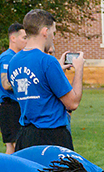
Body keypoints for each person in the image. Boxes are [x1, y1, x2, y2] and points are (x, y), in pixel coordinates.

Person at [9, 8, 83, 151]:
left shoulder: (13, 61)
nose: (53, 37)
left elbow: (37, 86)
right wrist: (79, 69)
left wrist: (57, 71)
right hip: (52, 136)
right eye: (53, 32)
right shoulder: (48, 61)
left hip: (25, 137)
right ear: (44, 32)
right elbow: (72, 103)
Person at [0, 22, 26, 154]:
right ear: (13, 38)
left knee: (14, 148)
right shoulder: (8, 58)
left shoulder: (17, 57)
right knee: (15, 148)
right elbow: (6, 84)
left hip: (17, 107)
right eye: (24, 38)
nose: (27, 41)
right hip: (11, 109)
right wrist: (27, 85)